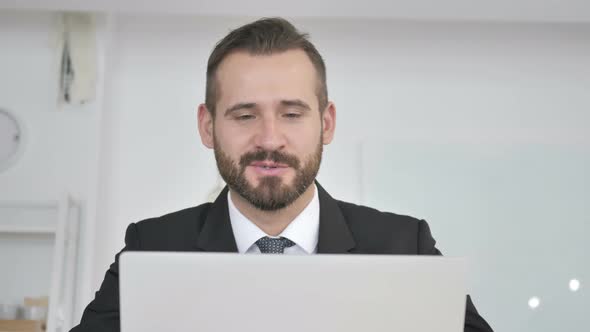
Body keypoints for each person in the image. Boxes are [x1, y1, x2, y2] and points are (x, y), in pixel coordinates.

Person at [70, 17, 493, 332]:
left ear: (326, 124)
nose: (269, 139)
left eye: (291, 114)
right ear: (207, 125)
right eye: (244, 114)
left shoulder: (405, 247)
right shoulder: (152, 249)